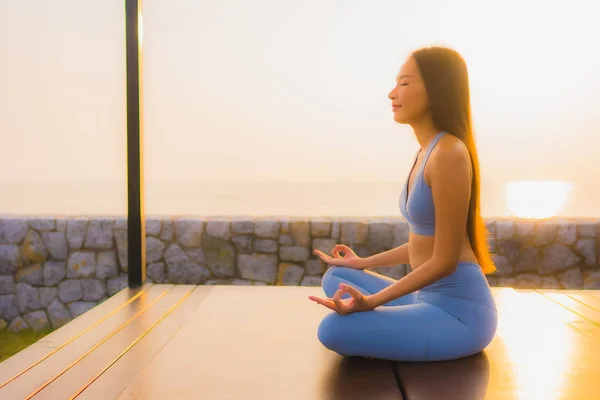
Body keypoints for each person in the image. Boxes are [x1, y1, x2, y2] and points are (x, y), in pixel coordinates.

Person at [308, 46, 498, 362]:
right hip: (425, 298)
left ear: (436, 89)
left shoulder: (449, 153)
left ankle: (404, 317)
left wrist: (374, 302)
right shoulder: (426, 152)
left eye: (405, 83)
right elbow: (421, 245)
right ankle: (398, 309)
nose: (392, 93)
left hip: (459, 316)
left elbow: (445, 260)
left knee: (331, 331)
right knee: (337, 278)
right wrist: (361, 263)